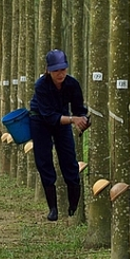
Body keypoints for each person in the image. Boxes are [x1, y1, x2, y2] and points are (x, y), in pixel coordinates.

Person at [29, 49, 89, 221]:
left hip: (63, 120)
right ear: (48, 70)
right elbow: (48, 116)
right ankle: (53, 208)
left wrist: (83, 121)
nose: (60, 73)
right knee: (44, 160)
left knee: (69, 158)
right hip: (41, 120)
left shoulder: (72, 84)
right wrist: (73, 119)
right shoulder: (41, 85)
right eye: (56, 70)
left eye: (63, 69)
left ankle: (73, 204)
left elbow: (79, 110)